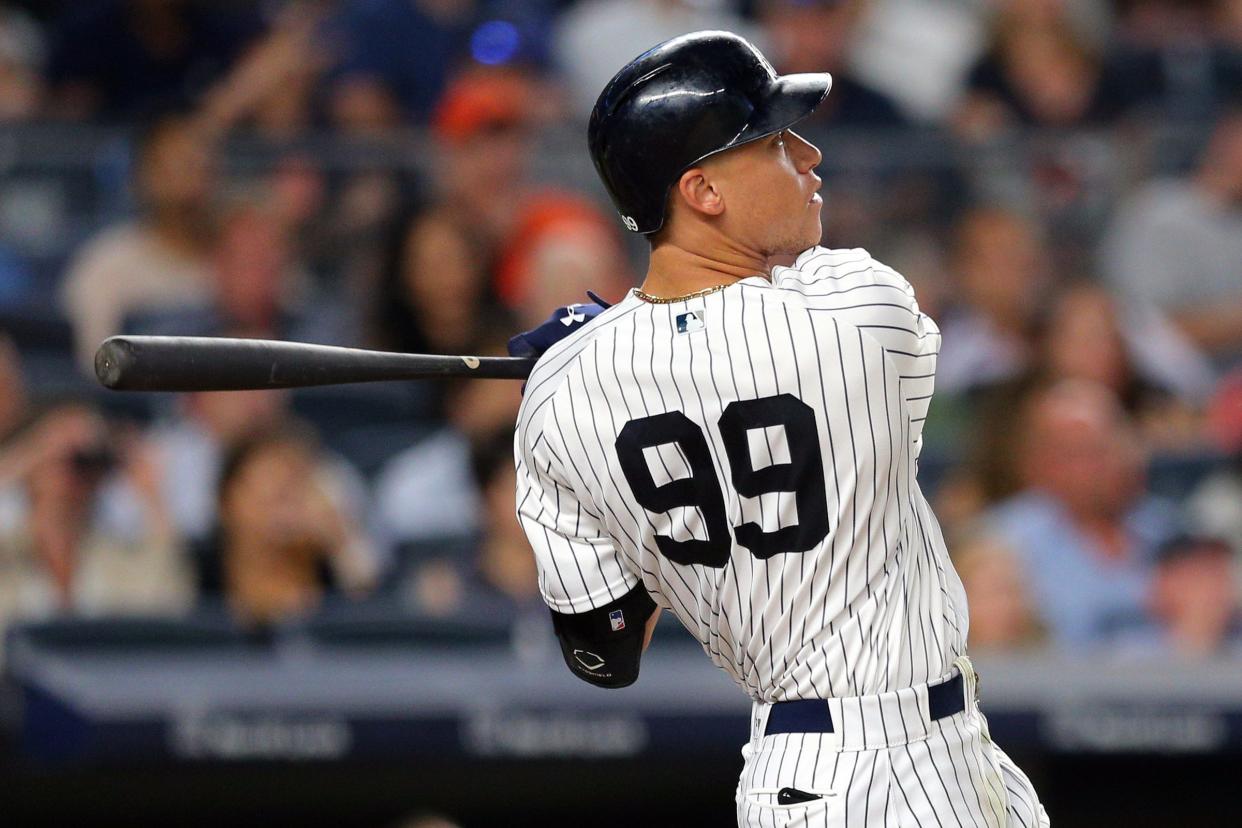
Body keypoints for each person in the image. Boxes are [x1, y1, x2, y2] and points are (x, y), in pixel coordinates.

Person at [510, 32, 1047, 827]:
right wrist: (613, 329)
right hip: (893, 767)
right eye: (769, 141)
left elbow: (608, 650)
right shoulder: (862, 305)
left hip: (810, 771)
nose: (809, 154)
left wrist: (597, 349)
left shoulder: (557, 398)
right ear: (702, 192)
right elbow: (752, 328)